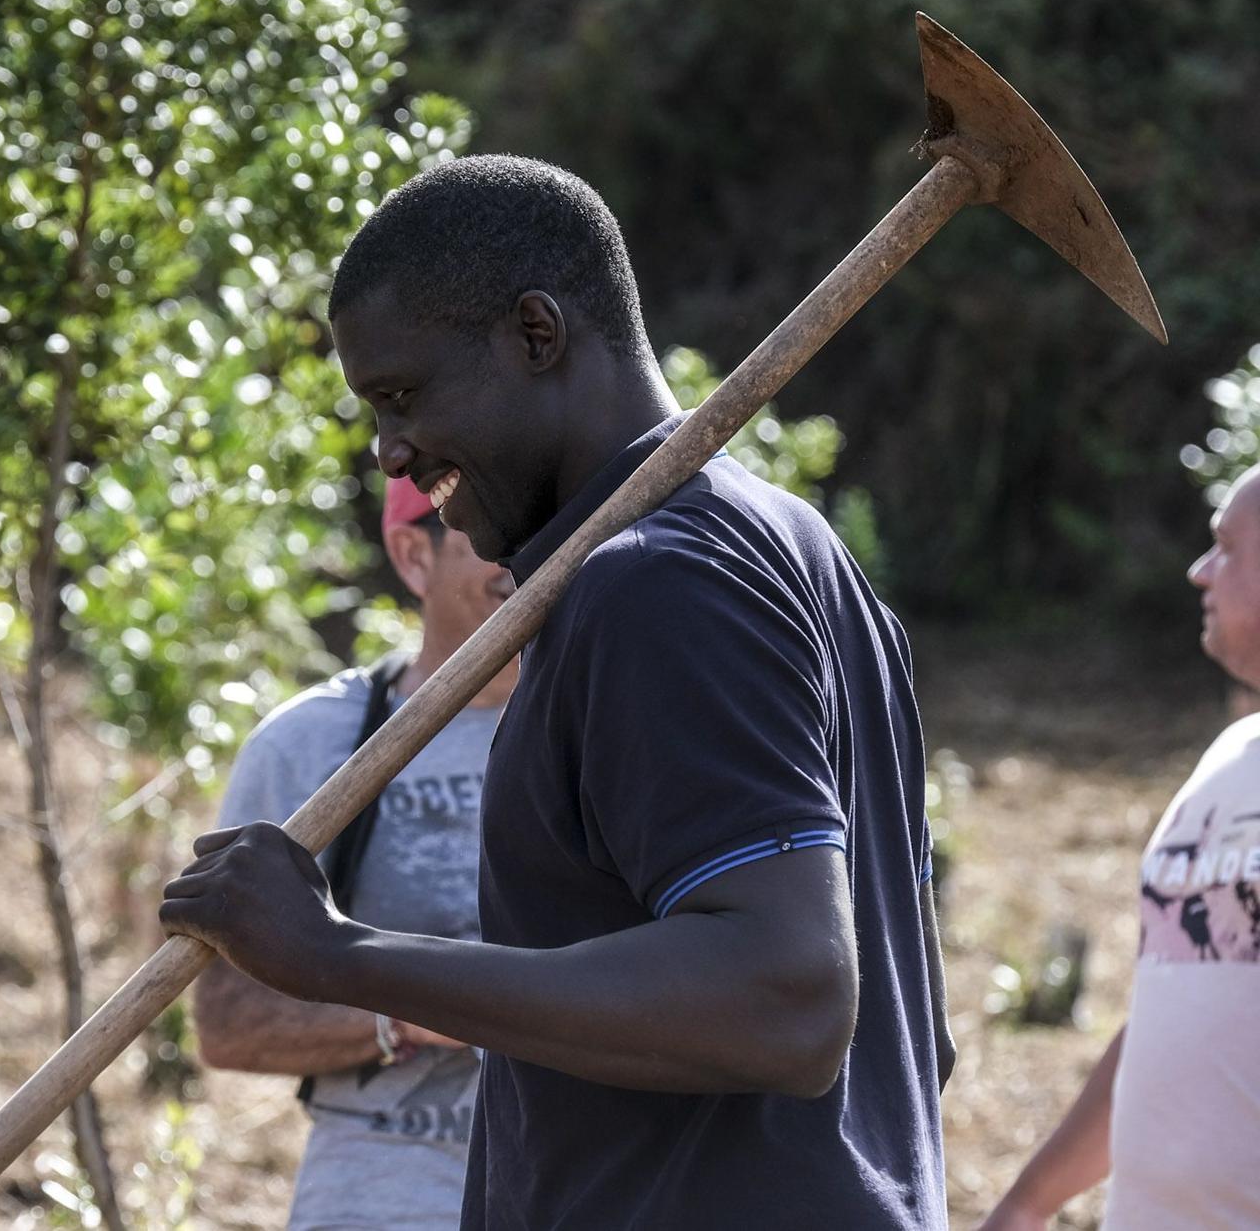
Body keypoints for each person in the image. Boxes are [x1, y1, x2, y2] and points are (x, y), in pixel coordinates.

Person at [161, 154, 954, 1229]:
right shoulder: (795, 551)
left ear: (536, 336)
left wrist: (337, 952)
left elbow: (790, 998)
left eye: (401, 395)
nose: (391, 452)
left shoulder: (653, 582)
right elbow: (917, 1033)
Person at [195, 472, 517, 1230]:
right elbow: (227, 1022)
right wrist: (413, 1012)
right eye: (495, 527)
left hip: (592, 1186)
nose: (528, 555)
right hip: (382, 1195)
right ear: (413, 555)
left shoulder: (619, 728)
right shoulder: (312, 748)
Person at [979, 465, 1260, 1230]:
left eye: (1227, 550)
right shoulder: (1228, 762)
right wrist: (1026, 1204)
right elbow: (1172, 1020)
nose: (1199, 572)